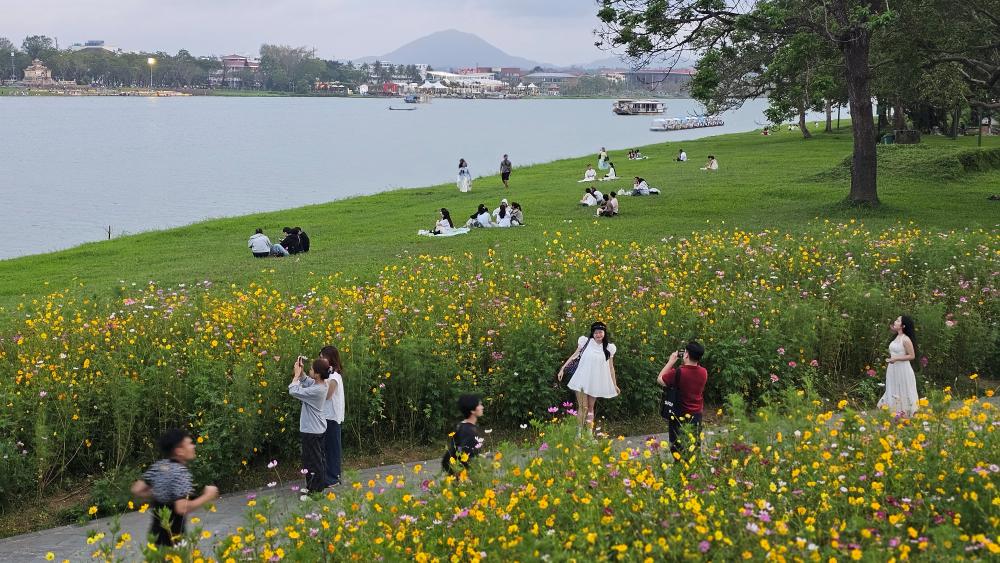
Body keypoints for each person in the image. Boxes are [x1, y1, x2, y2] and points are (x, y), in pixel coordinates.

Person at [130, 429, 219, 547]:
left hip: (155, 536)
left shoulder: (159, 466)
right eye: (190, 443)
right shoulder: (181, 472)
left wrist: (160, 493)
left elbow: (136, 489)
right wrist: (208, 496)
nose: (193, 446)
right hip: (174, 538)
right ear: (179, 451)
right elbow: (181, 508)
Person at [558, 321, 619, 435]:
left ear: (604, 333)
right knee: (583, 407)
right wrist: (563, 368)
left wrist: (614, 384)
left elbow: (611, 368)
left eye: (600, 332)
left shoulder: (608, 349)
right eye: (595, 332)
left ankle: (589, 435)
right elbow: (574, 355)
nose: (598, 335)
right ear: (592, 333)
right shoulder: (586, 342)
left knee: (591, 408)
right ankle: (579, 434)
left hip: (595, 382)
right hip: (581, 380)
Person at [656, 341, 708, 459]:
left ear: (686, 355)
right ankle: (691, 475)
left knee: (677, 449)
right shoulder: (704, 372)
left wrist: (671, 361)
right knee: (693, 448)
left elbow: (660, 379)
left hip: (679, 416)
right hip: (696, 416)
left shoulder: (679, 372)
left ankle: (680, 472)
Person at [288, 356, 330, 492]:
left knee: (313, 462)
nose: (310, 371)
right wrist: (302, 373)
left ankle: (315, 491)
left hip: (312, 430)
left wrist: (295, 376)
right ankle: (312, 486)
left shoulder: (317, 390)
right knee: (312, 460)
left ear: (317, 374)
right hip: (314, 429)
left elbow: (294, 390)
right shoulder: (320, 384)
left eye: (311, 369)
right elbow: (306, 381)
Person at [877, 315, 919, 417]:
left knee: (904, 390)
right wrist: (892, 359)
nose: (895, 322)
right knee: (893, 388)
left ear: (903, 326)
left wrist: (896, 359)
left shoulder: (905, 339)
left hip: (903, 369)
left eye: (897, 321)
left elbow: (912, 355)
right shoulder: (896, 337)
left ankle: (907, 413)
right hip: (893, 368)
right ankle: (894, 412)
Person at [441, 394, 485, 476]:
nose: (482, 407)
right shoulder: (468, 431)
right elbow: (464, 456)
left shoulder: (461, 426)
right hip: (464, 478)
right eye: (479, 405)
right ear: (472, 410)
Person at [320, 345, 345, 487]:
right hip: (326, 416)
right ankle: (328, 476)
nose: (321, 359)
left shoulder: (334, 376)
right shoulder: (329, 375)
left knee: (333, 448)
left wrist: (319, 381)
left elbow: (328, 395)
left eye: (323, 356)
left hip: (332, 417)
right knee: (327, 448)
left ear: (330, 358)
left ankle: (334, 478)